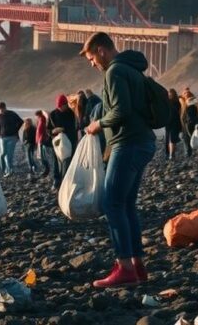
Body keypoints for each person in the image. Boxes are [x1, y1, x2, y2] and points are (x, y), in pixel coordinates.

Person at [81, 32, 157, 289]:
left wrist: (97, 125)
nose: (92, 64)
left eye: (91, 58)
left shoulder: (114, 72)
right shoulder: (132, 69)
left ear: (102, 50)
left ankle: (124, 267)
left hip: (128, 143)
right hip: (143, 141)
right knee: (127, 204)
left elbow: (121, 111)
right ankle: (137, 265)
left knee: (112, 203)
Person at [48, 95, 77, 187]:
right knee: (56, 161)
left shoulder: (71, 113)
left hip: (69, 141)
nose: (60, 108)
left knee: (67, 161)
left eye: (62, 105)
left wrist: (63, 129)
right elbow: (48, 129)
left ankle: (66, 180)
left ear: (66, 104)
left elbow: (73, 128)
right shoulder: (52, 114)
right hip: (57, 142)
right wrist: (53, 131)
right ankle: (56, 180)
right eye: (59, 106)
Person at [0, 103, 23, 177]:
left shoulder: (12, 114)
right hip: (2, 138)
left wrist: (15, 130)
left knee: (8, 155)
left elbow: (21, 121)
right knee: (2, 154)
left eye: (0, 109)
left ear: (4, 107)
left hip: (12, 137)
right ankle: (3, 169)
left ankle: (9, 170)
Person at [165, 89, 183, 161]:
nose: (169, 95)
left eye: (170, 94)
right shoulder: (176, 101)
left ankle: (171, 155)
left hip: (173, 122)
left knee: (171, 139)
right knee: (171, 139)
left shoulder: (174, 102)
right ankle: (171, 154)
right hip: (171, 122)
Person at [34, 110, 51, 177]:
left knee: (42, 156)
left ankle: (47, 170)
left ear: (38, 115)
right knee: (41, 156)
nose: (35, 118)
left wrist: (42, 111)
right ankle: (46, 169)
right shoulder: (40, 120)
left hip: (42, 140)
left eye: (36, 116)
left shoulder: (43, 120)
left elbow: (47, 115)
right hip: (40, 140)